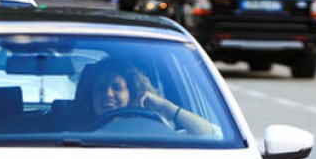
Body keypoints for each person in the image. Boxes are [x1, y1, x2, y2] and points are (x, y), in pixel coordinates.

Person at [75, 58, 215, 137]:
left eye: (117, 88)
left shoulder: (158, 132)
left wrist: (164, 106)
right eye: (100, 89)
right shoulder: (73, 134)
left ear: (131, 94)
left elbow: (210, 134)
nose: (108, 94)